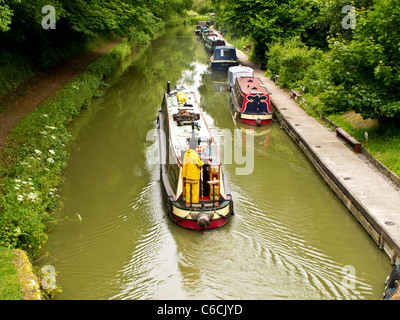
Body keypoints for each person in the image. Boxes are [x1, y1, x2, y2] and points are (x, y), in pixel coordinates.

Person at [182, 139, 204, 205]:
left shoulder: (186, 154)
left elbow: (184, 164)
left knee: (188, 189)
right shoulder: (195, 155)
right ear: (195, 147)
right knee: (195, 189)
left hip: (187, 175)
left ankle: (188, 201)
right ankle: (194, 202)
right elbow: (199, 164)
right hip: (194, 175)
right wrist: (202, 162)